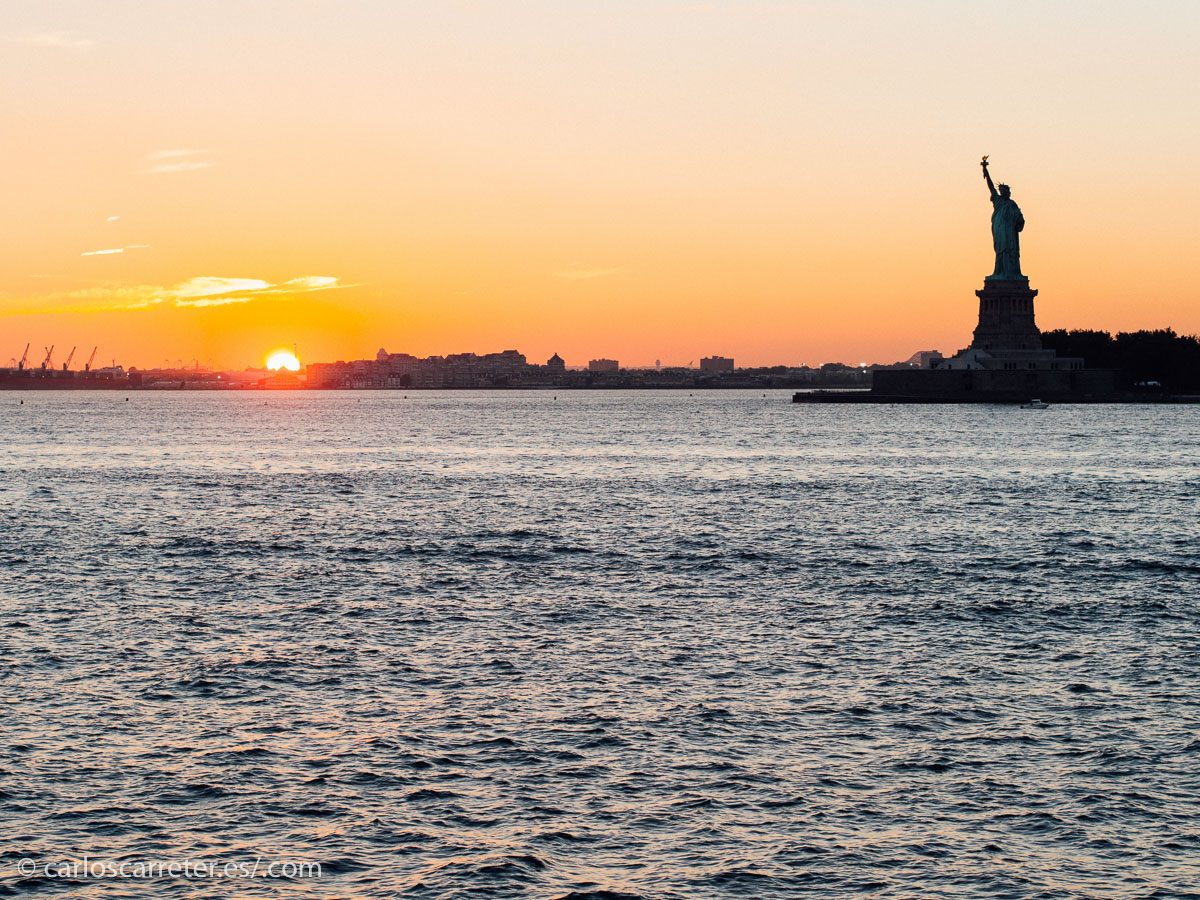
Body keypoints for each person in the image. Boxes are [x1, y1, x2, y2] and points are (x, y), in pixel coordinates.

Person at [982, 160, 1025, 279]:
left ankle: (1011, 273)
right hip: (1000, 230)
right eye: (1001, 191)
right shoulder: (998, 201)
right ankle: (1000, 271)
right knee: (1001, 251)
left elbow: (1020, 218)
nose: (1003, 193)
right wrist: (986, 171)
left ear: (1008, 192)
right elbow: (991, 187)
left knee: (1010, 251)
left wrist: (1019, 220)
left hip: (1010, 232)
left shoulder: (1012, 204)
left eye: (1005, 191)